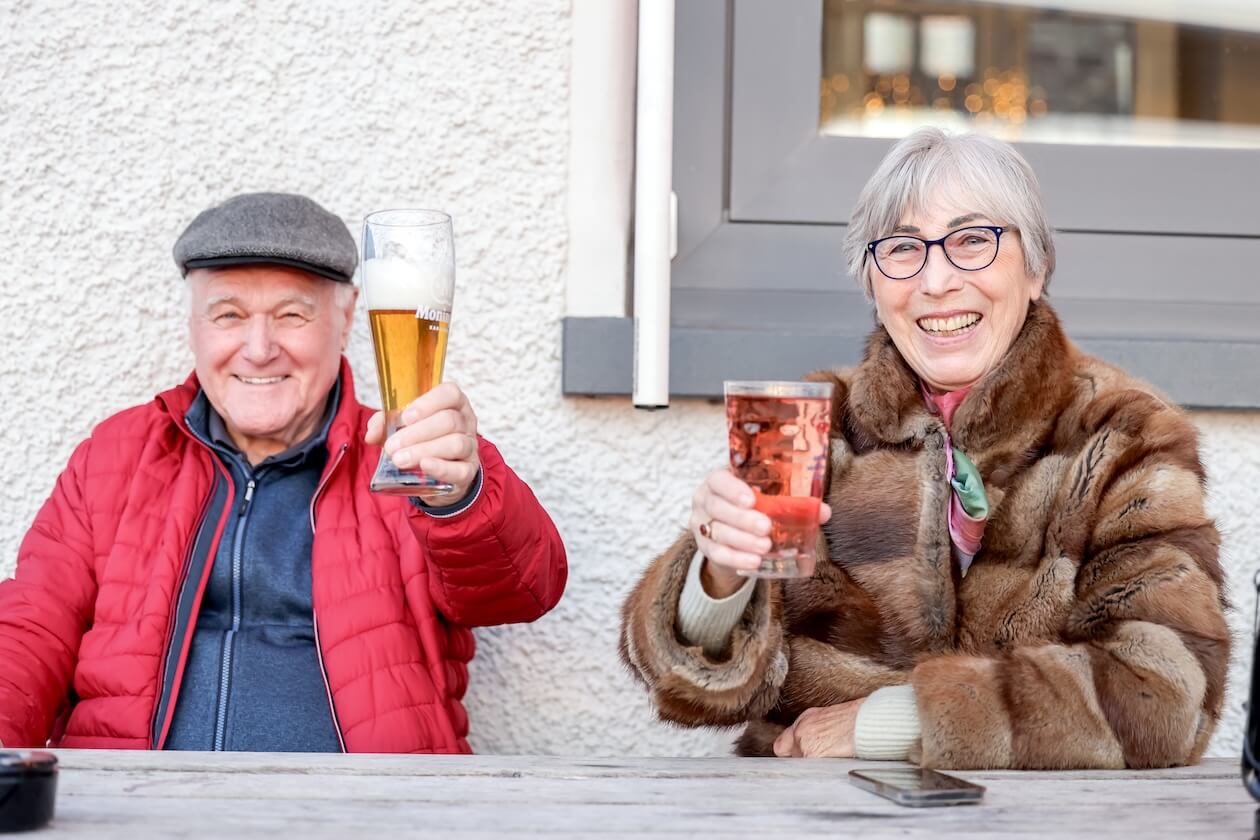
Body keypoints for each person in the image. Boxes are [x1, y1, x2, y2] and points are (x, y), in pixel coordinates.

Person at [619, 129, 1229, 769]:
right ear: (873, 285)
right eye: (903, 249)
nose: (936, 281)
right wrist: (719, 574)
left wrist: (899, 722)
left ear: (1036, 267)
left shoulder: (1121, 434)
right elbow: (683, 684)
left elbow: (1166, 695)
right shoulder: (815, 427)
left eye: (973, 240)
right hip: (813, 815)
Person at [0, 192, 567, 752]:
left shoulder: (409, 455)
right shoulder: (117, 453)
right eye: (229, 315)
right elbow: (30, 631)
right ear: (193, 326)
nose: (259, 348)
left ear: (347, 322)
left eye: (292, 315)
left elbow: (523, 591)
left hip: (366, 815)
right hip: (137, 808)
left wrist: (463, 496)